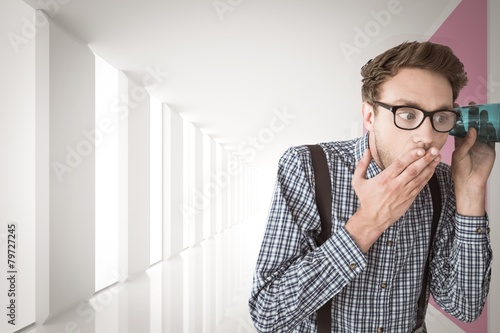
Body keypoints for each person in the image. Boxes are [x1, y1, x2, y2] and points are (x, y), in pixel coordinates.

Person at [248, 41, 496, 333]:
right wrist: (368, 222)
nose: (426, 136)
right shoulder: (306, 166)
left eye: (440, 117)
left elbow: (463, 306)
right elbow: (269, 313)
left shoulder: (443, 182)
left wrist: (470, 192)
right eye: (407, 114)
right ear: (369, 116)